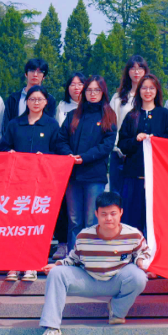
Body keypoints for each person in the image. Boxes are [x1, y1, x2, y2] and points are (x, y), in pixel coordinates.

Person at [33, 190, 152, 335]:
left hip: (116, 280)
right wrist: (58, 264)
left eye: (113, 213)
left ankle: (116, 310)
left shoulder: (133, 235)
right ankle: (52, 331)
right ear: (96, 214)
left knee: (139, 277)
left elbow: (144, 252)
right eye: (104, 214)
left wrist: (140, 261)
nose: (108, 218)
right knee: (56, 273)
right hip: (88, 280)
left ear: (121, 213)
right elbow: (73, 258)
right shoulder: (84, 236)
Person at [0, 85, 69, 281]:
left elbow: (58, 151)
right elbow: (3, 146)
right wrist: (9, 153)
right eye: (32, 99)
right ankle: (13, 264)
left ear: (46, 102)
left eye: (40, 99)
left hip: (41, 183)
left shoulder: (51, 125)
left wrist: (45, 156)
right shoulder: (15, 124)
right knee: (16, 223)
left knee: (37, 223)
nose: (36, 103)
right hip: (17, 182)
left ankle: (32, 264)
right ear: (26, 102)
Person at [116, 74, 168, 232]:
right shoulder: (132, 115)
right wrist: (136, 139)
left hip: (157, 177)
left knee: (155, 221)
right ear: (139, 91)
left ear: (157, 91)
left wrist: (156, 139)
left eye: (151, 88)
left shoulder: (163, 114)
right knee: (132, 219)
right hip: (133, 176)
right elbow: (122, 144)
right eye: (144, 88)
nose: (147, 91)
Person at [62, 76, 118, 232]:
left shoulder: (108, 116)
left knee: (91, 221)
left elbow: (106, 145)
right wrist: (69, 155)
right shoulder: (73, 115)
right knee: (74, 220)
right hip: (73, 174)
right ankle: (73, 248)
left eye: (97, 90)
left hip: (94, 175)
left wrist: (84, 158)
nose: (93, 94)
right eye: (89, 90)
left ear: (103, 92)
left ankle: (90, 248)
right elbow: (61, 139)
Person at [109, 57, 148, 200]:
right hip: (119, 153)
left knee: (136, 197)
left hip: (141, 154)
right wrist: (117, 148)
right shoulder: (118, 97)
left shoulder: (149, 96)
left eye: (140, 68)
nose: (136, 72)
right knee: (116, 195)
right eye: (133, 68)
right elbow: (111, 125)